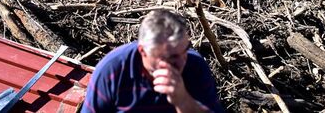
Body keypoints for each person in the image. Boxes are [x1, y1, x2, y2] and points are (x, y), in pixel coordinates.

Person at [82, 10, 224, 113]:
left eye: (185, 50)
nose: (182, 62)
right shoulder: (112, 70)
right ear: (143, 51)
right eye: (171, 57)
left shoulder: (195, 66)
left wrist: (183, 101)